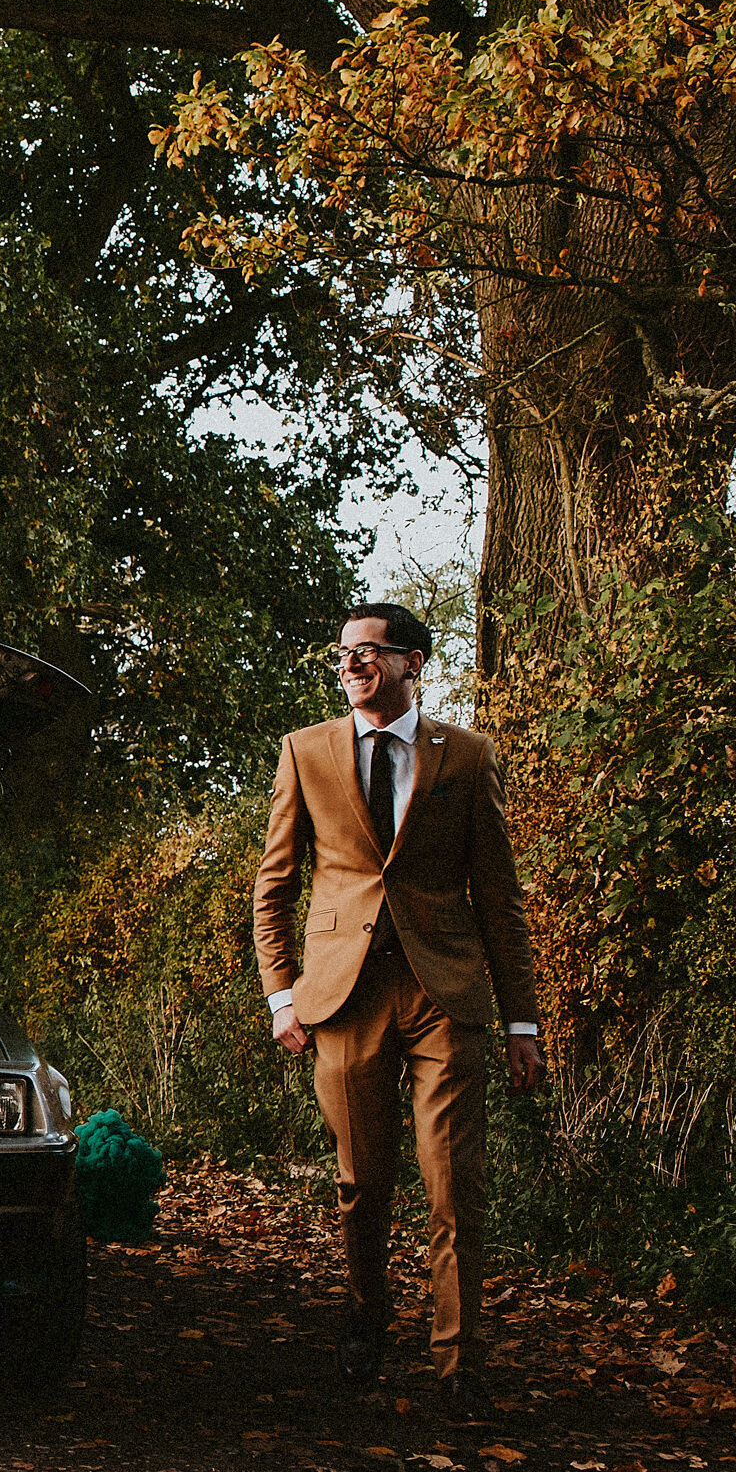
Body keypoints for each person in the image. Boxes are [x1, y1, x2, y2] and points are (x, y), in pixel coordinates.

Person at [252, 602, 547, 1418]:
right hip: (342, 999)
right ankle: (366, 1309)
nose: (349, 664)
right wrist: (283, 994)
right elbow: (273, 886)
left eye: (367, 651)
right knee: (362, 1180)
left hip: (443, 993)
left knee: (454, 1184)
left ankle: (457, 1363)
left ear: (413, 661)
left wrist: (521, 1020)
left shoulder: (467, 756)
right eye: (342, 652)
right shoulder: (305, 752)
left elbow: (500, 897)